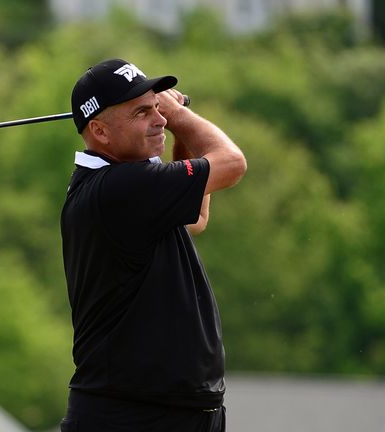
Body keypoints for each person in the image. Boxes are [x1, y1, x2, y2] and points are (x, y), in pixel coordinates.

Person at [60, 59, 246, 432]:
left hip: (174, 411)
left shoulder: (125, 185)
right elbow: (232, 163)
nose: (158, 119)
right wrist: (178, 116)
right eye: (142, 112)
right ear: (100, 131)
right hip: (132, 415)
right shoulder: (120, 187)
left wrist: (177, 133)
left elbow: (194, 219)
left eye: (157, 107)